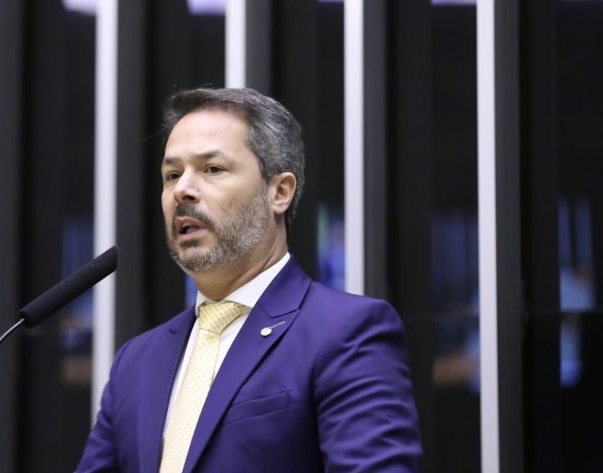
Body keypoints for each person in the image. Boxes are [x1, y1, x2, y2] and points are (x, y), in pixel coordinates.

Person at [76, 87, 421, 472]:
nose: (183, 190)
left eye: (212, 169)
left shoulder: (345, 331)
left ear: (279, 192)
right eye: (172, 175)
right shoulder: (136, 360)